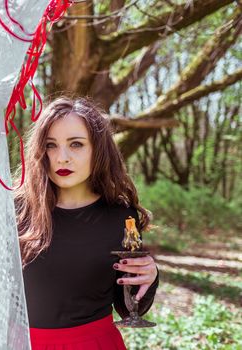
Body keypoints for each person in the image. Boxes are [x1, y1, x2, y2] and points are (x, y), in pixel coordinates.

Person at [14, 96, 159, 349]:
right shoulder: (16, 212)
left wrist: (150, 276)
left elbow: (127, 308)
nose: (62, 157)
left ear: (97, 149)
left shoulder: (121, 217)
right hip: (21, 343)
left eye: (76, 144)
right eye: (51, 145)